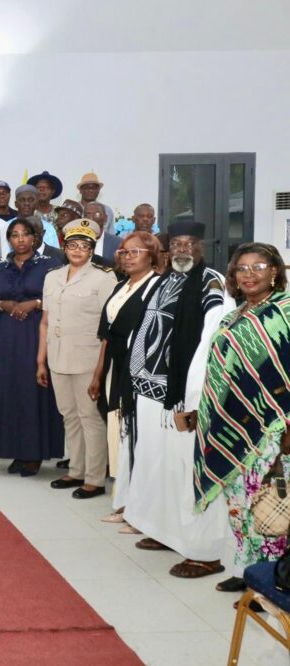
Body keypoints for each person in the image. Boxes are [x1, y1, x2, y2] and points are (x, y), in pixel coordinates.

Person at [123, 221, 234, 579]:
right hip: (152, 392)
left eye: (191, 243)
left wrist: (194, 399)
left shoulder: (211, 284)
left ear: (202, 247)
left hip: (185, 397)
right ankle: (166, 531)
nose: (183, 249)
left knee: (190, 471)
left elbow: (210, 344)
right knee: (160, 466)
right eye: (177, 243)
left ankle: (205, 553)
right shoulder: (166, 279)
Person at [194, 243, 290, 594]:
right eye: (241, 268)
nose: (249, 274)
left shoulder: (286, 312)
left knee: (269, 503)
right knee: (239, 503)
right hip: (232, 426)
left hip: (274, 429)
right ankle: (247, 568)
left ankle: (271, 581)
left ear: (275, 271)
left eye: (259, 266)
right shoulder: (233, 316)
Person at [37, 219, 117, 499]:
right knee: (69, 416)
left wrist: (100, 371)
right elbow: (45, 322)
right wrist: (41, 360)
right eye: (73, 245)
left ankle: (95, 479)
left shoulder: (104, 278)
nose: (78, 250)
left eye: (84, 246)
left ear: (92, 250)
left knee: (90, 418)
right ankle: (76, 470)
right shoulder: (53, 276)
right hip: (58, 357)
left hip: (87, 359)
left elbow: (109, 328)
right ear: (64, 247)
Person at [0, 218, 64, 476]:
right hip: (7, 336)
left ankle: (34, 452)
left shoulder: (49, 265)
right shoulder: (0, 268)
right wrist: (3, 305)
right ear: (8, 239)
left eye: (25, 234)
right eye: (14, 235)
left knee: (33, 390)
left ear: (34, 238)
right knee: (9, 390)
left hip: (36, 332)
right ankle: (15, 450)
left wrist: (36, 303)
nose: (20, 239)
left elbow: (58, 298)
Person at [92, 231, 162, 525]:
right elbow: (106, 336)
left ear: (152, 256)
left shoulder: (157, 287)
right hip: (115, 365)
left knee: (136, 433)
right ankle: (124, 499)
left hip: (141, 370)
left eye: (135, 252)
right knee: (118, 429)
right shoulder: (121, 286)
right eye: (123, 252)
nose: (128, 257)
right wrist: (98, 373)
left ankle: (139, 505)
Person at [15, 184, 60, 248]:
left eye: (31, 200)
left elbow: (54, 252)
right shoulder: (7, 226)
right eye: (22, 200)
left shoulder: (48, 228)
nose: (26, 203)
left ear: (36, 204)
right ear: (16, 204)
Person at [83, 202, 120, 268]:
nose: (91, 218)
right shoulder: (76, 241)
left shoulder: (118, 243)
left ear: (105, 218)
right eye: (87, 215)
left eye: (97, 214)